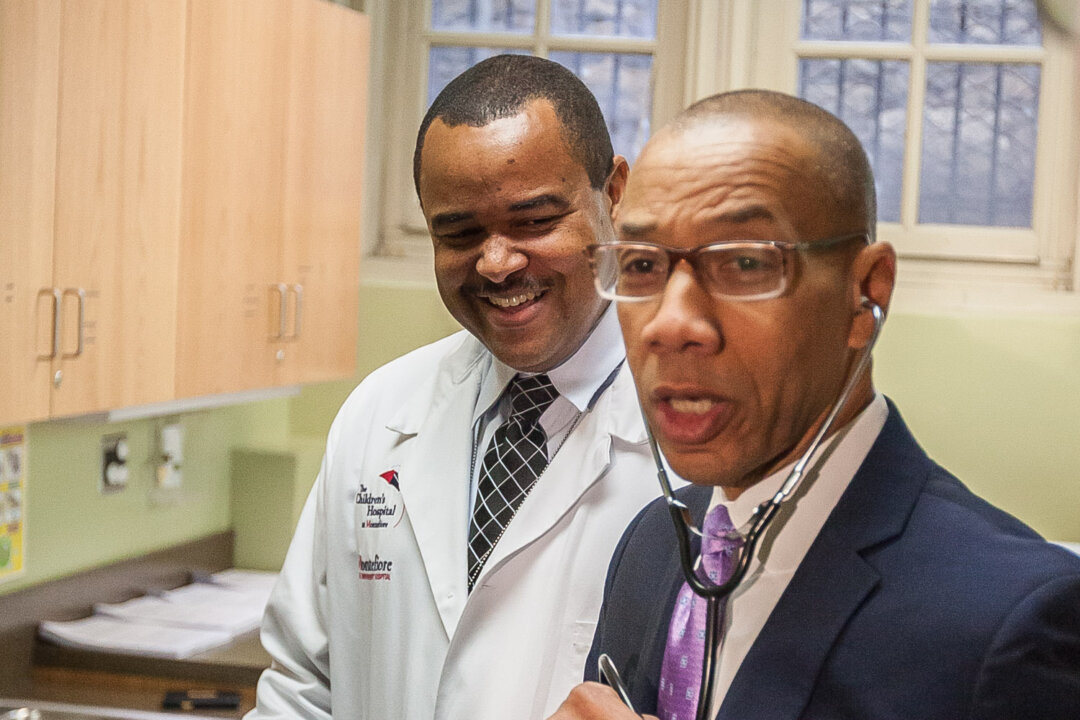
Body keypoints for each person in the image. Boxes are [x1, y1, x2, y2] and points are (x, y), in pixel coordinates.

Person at [549, 89, 1080, 720]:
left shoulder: (1010, 618)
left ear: (865, 293)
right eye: (640, 264)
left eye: (744, 263)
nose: (670, 323)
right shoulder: (652, 548)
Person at [245, 55, 665, 720]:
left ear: (614, 193)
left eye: (533, 220)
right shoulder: (381, 413)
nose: (496, 263)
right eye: (460, 232)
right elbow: (302, 684)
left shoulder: (692, 443)